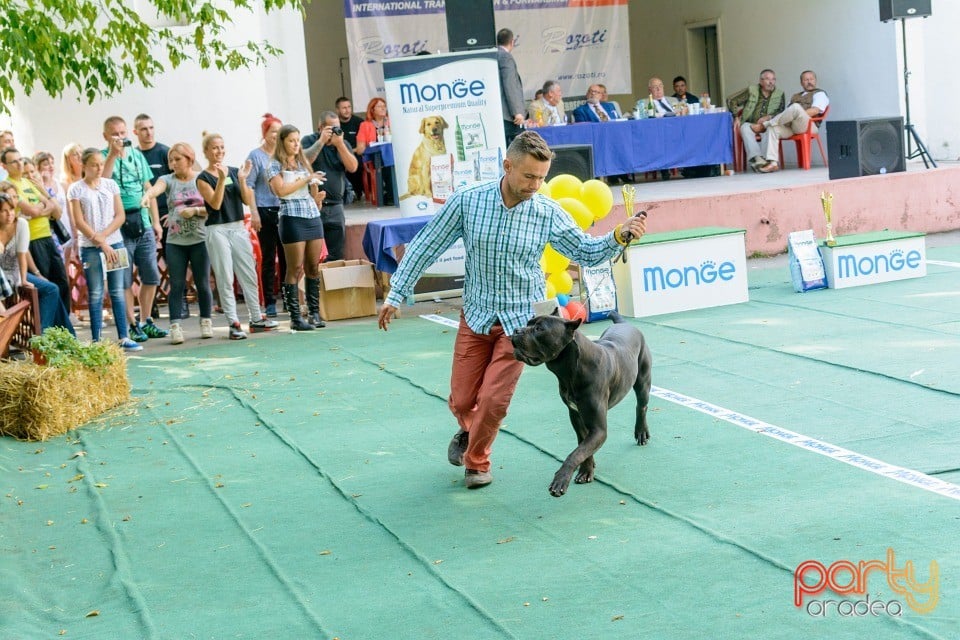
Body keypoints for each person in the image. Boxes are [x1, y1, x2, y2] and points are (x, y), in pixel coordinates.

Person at [377, 131, 647, 490]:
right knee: (462, 399)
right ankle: (468, 429)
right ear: (507, 166)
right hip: (475, 314)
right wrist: (396, 293)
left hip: (524, 324)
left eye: (542, 177)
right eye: (529, 176)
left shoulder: (547, 212)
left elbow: (583, 250)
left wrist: (618, 235)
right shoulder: (468, 201)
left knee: (493, 400)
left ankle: (477, 463)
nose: (536, 184)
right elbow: (427, 244)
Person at [196, 132, 277, 340]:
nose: (219, 152)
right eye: (215, 148)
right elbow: (214, 204)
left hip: (238, 226)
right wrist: (222, 179)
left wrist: (241, 180)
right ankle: (233, 322)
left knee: (248, 272)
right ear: (206, 151)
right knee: (225, 275)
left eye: (222, 147)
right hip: (217, 229)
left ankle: (256, 318)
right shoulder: (203, 178)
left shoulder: (233, 171)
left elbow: (244, 198)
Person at [101, 115, 168, 342]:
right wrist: (112, 154)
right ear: (105, 137)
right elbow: (103, 183)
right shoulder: (101, 157)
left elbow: (148, 187)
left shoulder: (138, 155)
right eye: (115, 134)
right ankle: (131, 324)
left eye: (123, 133)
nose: (120, 138)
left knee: (151, 275)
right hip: (117, 228)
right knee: (123, 279)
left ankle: (146, 319)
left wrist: (156, 222)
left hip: (144, 223)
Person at [66, 149, 141, 351]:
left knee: (117, 290)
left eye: (101, 164)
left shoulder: (110, 185)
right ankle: (97, 339)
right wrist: (100, 242)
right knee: (96, 292)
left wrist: (106, 236)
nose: (99, 168)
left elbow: (120, 215)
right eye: (94, 165)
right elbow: (79, 221)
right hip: (90, 246)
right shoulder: (76, 189)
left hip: (114, 242)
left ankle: (124, 336)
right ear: (84, 166)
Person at [141, 142, 214, 344]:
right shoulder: (167, 179)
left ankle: (206, 321)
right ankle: (175, 326)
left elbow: (214, 206)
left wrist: (196, 211)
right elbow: (157, 188)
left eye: (178, 159)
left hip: (199, 239)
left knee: (202, 283)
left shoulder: (201, 179)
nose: (173, 164)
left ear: (189, 159)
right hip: (175, 241)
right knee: (177, 284)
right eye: (171, 160)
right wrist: (148, 195)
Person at [267, 124, 327, 331]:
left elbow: (310, 188)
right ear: (282, 142)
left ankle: (314, 313)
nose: (295, 144)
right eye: (291, 140)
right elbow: (281, 191)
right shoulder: (274, 165)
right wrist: (307, 178)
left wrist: (316, 196)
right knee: (295, 267)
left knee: (313, 266)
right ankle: (295, 317)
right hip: (292, 218)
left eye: (297, 140)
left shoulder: (302, 161)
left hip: (312, 215)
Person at [1, 147, 72, 319]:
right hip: (32, 241)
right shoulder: (10, 187)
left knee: (62, 282)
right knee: (46, 286)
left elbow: (56, 211)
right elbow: (33, 211)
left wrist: (43, 198)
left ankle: (63, 324)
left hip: (48, 237)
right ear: (4, 166)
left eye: (21, 160)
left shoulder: (29, 182)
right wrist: (45, 206)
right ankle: (49, 329)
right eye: (15, 161)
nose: (20, 164)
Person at [0, 185, 75, 336]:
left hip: (15, 272)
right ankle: (56, 337)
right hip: (1, 276)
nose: (9, 214)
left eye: (11, 209)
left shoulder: (20, 224)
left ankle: (45, 335)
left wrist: (23, 278)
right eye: (4, 211)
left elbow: (22, 254)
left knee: (52, 288)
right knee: (51, 289)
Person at [302, 111, 359, 262]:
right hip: (313, 206)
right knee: (314, 255)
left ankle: (335, 284)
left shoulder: (342, 143)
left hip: (336, 207)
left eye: (338, 127)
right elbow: (303, 161)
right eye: (331, 128)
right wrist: (321, 142)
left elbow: (353, 167)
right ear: (320, 128)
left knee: (336, 254)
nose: (335, 131)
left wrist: (339, 144)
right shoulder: (309, 140)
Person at [245, 113, 285, 318]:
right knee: (269, 257)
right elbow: (249, 185)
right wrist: (254, 213)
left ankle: (289, 298)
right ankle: (269, 301)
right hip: (264, 210)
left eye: (279, 132)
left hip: (285, 209)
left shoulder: (285, 154)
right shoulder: (255, 156)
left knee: (287, 255)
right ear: (265, 134)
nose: (275, 136)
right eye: (272, 132)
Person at [755, 70, 830, 173]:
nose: (809, 82)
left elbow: (814, 111)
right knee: (773, 128)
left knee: (795, 107)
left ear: (815, 81)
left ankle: (765, 125)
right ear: (801, 82)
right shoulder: (795, 96)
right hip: (792, 126)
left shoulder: (820, 94)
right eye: (806, 79)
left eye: (811, 79)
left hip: (809, 125)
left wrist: (797, 113)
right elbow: (786, 112)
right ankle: (772, 163)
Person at [726, 69, 785, 172]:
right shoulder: (751, 90)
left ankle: (767, 161)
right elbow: (731, 100)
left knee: (771, 129)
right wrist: (736, 117)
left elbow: (781, 111)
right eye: (767, 79)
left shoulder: (779, 94)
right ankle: (757, 159)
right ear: (761, 81)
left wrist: (769, 117)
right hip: (750, 124)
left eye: (773, 79)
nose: (771, 82)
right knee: (744, 128)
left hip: (767, 124)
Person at [357, 97, 394, 205]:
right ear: (372, 110)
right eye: (379, 106)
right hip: (375, 159)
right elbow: (360, 150)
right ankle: (391, 196)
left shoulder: (391, 122)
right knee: (387, 162)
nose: (383, 108)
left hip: (393, 156)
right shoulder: (365, 125)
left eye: (384, 106)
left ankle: (392, 195)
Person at [497, 28, 525, 145]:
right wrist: (517, 111)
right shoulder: (505, 57)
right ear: (512, 42)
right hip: (509, 116)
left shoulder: (495, 54)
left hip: (499, 113)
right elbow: (510, 85)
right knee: (518, 150)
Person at [334, 97, 365, 202]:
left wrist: (348, 153)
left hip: (355, 154)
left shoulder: (359, 122)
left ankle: (358, 191)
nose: (347, 110)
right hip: (337, 154)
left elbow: (362, 146)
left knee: (356, 163)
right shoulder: (334, 124)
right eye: (344, 108)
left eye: (349, 107)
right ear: (337, 110)